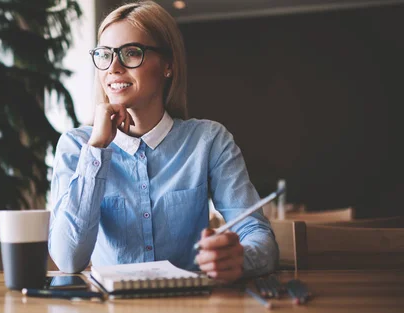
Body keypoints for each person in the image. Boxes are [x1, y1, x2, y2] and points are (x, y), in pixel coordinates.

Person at [48, 1, 278, 283]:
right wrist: (96, 151)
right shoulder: (76, 146)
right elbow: (69, 260)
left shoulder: (208, 141)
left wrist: (240, 258)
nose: (114, 67)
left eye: (131, 53)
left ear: (168, 65)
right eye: (104, 54)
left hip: (190, 304)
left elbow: (259, 236)